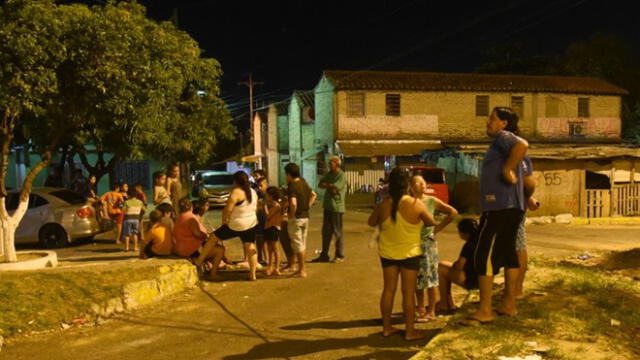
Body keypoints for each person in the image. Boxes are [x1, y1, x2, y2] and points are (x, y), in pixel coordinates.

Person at [462, 106, 528, 326]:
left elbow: (523, 145)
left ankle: (485, 310)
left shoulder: (504, 138)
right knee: (508, 255)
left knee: (484, 256)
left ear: (503, 123)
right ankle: (509, 305)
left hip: (499, 207)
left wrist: (507, 169)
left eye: (492, 119)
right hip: (511, 208)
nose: (487, 122)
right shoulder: (504, 143)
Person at [368, 167, 435, 341]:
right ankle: (410, 331)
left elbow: (371, 221)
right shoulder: (415, 204)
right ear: (407, 185)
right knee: (408, 292)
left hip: (388, 254)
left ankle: (386, 328)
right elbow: (431, 222)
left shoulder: (384, 204)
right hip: (410, 254)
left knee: (388, 290)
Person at [408, 174, 458, 323]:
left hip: (428, 244)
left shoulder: (431, 200)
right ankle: (421, 307)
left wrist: (437, 228)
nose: (422, 184)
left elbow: (453, 212)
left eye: (423, 182)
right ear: (411, 186)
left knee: (429, 278)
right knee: (417, 278)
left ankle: (431, 311)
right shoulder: (409, 202)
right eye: (418, 182)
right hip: (413, 243)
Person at [194, 171, 259, 281]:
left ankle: (199, 260)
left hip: (236, 225)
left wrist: (224, 222)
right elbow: (256, 208)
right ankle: (252, 274)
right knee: (251, 246)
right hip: (251, 223)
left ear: (235, 181)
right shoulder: (253, 192)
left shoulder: (236, 192)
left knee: (213, 237)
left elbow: (228, 209)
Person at [174, 198, 225, 280]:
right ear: (191, 207)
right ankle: (213, 273)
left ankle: (212, 265)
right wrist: (205, 235)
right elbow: (197, 233)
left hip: (180, 248)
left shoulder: (179, 218)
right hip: (191, 250)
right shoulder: (191, 218)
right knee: (220, 250)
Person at [436, 218, 480, 314]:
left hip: (471, 279)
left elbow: (459, 266)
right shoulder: (481, 242)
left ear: (465, 233)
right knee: (444, 264)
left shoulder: (469, 245)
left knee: (441, 269)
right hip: (482, 277)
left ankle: (444, 303)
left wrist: (455, 264)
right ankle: (449, 302)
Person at [514, 156, 540, 299]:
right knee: (513, 248)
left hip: (514, 208)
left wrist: (527, 196)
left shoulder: (520, 159)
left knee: (518, 248)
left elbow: (529, 184)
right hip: (509, 206)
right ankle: (513, 287)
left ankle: (517, 289)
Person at [285, 162, 317, 278]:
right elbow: (314, 195)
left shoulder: (292, 186)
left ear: (289, 174)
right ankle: (302, 269)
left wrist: (291, 215)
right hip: (305, 217)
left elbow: (293, 203)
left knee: (298, 245)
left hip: (297, 218)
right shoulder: (303, 183)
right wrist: (307, 206)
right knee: (302, 244)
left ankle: (302, 270)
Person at [313, 155, 347, 263]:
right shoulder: (330, 174)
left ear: (337, 164)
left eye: (331, 163)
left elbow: (335, 189)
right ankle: (324, 255)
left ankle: (339, 255)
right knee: (326, 232)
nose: (329, 165)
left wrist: (329, 186)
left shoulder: (341, 175)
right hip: (328, 207)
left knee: (337, 232)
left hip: (336, 208)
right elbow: (321, 184)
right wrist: (330, 186)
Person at [264, 186, 283, 276]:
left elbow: (268, 216)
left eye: (267, 195)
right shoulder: (271, 204)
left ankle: (277, 267)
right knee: (269, 248)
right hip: (268, 228)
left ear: (271, 195)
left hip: (274, 228)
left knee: (275, 248)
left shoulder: (276, 205)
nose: (266, 196)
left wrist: (264, 207)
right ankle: (270, 266)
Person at [255, 177, 269, 266]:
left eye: (261, 185)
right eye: (258, 186)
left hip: (266, 220)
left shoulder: (269, 195)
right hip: (258, 219)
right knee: (258, 239)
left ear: (266, 184)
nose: (259, 188)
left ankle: (267, 258)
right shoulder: (256, 194)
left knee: (266, 240)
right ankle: (259, 258)